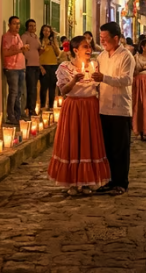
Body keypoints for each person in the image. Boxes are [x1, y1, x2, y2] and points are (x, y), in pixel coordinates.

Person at [47, 36, 110, 196]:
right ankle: (72, 182)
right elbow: (63, 91)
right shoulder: (65, 67)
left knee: (88, 143)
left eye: (89, 46)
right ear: (75, 50)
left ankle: (87, 181)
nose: (89, 50)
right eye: (85, 47)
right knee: (73, 142)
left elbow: (99, 88)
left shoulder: (94, 65)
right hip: (74, 107)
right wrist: (74, 79)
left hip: (90, 107)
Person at [92, 22, 136, 195]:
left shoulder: (126, 57)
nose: (102, 41)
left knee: (121, 148)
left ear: (116, 38)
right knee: (108, 148)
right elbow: (97, 79)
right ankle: (109, 179)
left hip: (120, 108)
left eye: (105, 38)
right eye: (101, 38)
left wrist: (104, 78)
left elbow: (126, 80)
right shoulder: (102, 56)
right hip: (104, 107)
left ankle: (121, 182)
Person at [1, 16, 27, 126]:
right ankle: (10, 116)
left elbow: (19, 50)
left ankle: (18, 115)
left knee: (19, 93)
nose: (17, 26)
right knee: (13, 92)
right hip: (12, 68)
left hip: (21, 67)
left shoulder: (18, 36)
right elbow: (5, 53)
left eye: (18, 23)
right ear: (9, 25)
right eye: (14, 23)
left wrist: (23, 50)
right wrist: (20, 50)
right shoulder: (7, 37)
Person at [21, 19, 41, 117]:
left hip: (36, 64)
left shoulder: (36, 37)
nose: (33, 28)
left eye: (34, 26)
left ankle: (32, 107)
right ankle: (30, 109)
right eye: (30, 26)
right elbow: (22, 49)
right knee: (30, 88)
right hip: (29, 65)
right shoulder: (25, 36)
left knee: (34, 87)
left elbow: (37, 49)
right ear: (27, 27)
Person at [39, 25, 61, 109]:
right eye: (44, 30)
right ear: (42, 31)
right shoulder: (40, 41)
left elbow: (58, 54)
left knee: (52, 87)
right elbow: (37, 54)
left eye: (48, 31)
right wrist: (40, 66)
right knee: (44, 87)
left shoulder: (53, 41)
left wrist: (53, 45)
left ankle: (51, 106)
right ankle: (42, 106)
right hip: (44, 65)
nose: (46, 32)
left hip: (53, 65)